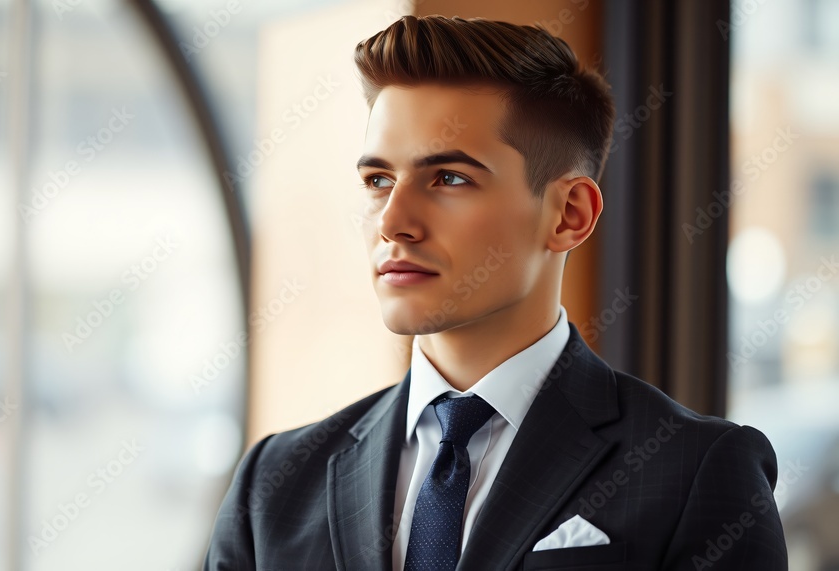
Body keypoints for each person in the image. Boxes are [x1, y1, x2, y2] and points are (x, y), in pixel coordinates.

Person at [204, 14, 787, 570]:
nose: (393, 222)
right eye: (379, 180)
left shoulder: (696, 470)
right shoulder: (273, 485)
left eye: (449, 178)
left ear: (569, 214)